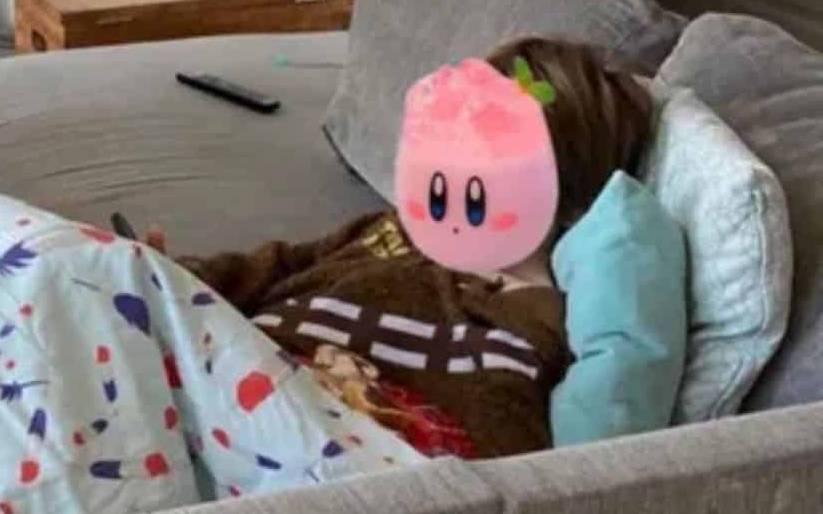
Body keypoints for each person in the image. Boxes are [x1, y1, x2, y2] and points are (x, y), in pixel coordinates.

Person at [144, 37, 654, 459]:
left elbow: (508, 447)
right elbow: (278, 264)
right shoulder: (396, 230)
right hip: (232, 375)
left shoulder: (549, 315)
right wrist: (171, 276)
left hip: (347, 445)